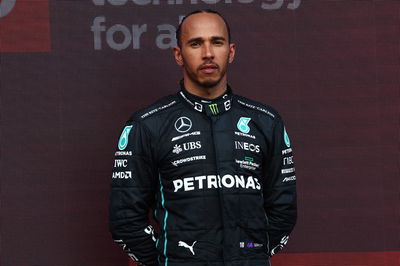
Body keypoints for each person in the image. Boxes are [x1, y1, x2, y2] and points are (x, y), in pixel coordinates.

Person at [109, 9, 297, 266]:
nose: (207, 53)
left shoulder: (265, 121)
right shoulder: (148, 125)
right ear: (178, 54)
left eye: (216, 42)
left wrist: (250, 252)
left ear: (231, 51)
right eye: (195, 43)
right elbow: (125, 218)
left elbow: (283, 210)